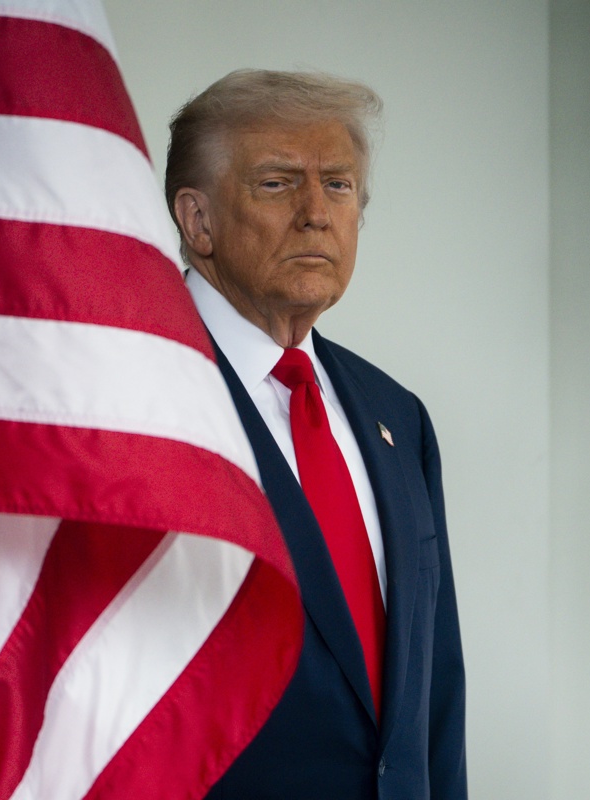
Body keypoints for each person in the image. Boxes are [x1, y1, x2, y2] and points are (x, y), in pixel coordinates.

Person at [165, 69, 467, 799]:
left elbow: (436, 699)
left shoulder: (397, 415)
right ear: (197, 220)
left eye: (337, 185)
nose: (315, 213)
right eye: (276, 184)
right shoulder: (139, 406)